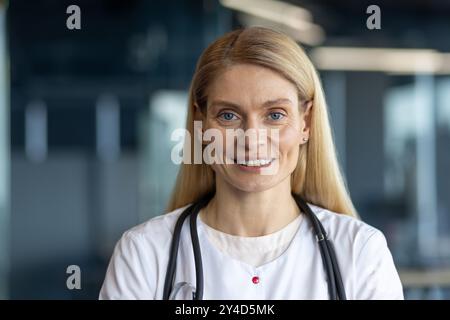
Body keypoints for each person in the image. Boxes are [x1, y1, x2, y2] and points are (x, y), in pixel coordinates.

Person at [99, 27, 404, 300]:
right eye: (229, 116)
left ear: (306, 122)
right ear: (200, 123)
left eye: (275, 115)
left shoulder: (360, 252)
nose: (252, 139)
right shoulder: (144, 253)